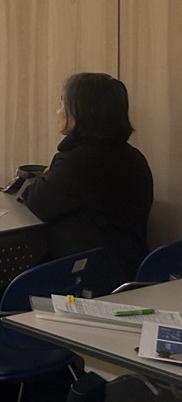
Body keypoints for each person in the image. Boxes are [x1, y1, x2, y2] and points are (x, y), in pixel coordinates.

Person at [19, 72, 153, 291]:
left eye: (62, 104)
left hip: (88, 279)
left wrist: (43, 176)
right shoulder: (133, 156)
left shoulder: (79, 161)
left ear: (81, 112)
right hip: (127, 270)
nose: (58, 111)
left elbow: (37, 201)